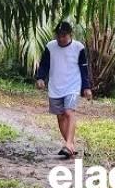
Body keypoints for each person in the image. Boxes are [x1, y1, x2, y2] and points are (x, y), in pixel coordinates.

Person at [35, 21, 92, 158]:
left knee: (69, 112)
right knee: (60, 116)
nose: (60, 38)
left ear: (70, 34)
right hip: (55, 86)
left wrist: (86, 87)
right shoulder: (50, 46)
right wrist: (40, 78)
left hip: (72, 85)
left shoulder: (78, 48)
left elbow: (84, 69)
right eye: (58, 35)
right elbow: (44, 65)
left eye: (64, 35)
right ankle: (70, 145)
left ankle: (68, 144)